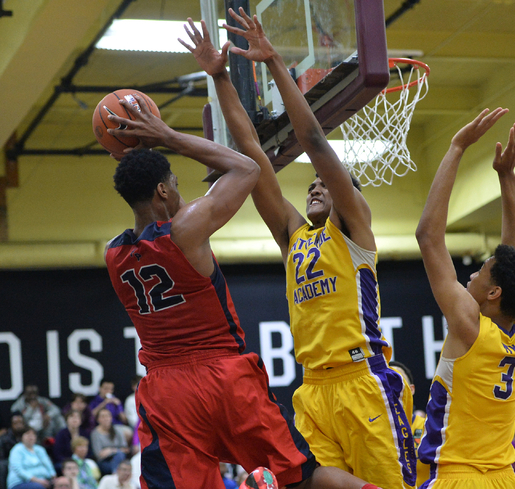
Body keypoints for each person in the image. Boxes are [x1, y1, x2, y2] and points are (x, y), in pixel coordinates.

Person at [180, 12, 415, 489]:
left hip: (363, 382)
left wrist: (273, 65)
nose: (314, 188)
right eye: (309, 185)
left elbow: (312, 140)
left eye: (323, 185)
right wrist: (221, 76)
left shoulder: (352, 230)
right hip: (312, 390)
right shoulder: (295, 236)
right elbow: (251, 155)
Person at [104, 87, 378, 489]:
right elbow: (247, 169)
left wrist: (132, 157)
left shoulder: (114, 255)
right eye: (175, 184)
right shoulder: (185, 230)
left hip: (167, 392)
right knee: (301, 477)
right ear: (163, 191)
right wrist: (167, 135)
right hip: (225, 376)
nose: (181, 193)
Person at [414, 107, 515, 489]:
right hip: (506, 478)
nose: (470, 273)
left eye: (481, 271)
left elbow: (428, 236)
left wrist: (456, 147)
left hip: (456, 477)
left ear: (493, 292)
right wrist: (506, 177)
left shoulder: (468, 326)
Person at [90, 409, 129, 476]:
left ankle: (116, 473)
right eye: (103, 416)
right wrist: (117, 450)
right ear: (98, 419)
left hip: (119, 459)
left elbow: (126, 449)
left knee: (120, 455)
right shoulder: (95, 434)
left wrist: (111, 450)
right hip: (105, 462)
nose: (106, 419)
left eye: (108, 416)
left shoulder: (117, 430)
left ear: (111, 418)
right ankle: (116, 475)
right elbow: (99, 455)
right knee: (119, 456)